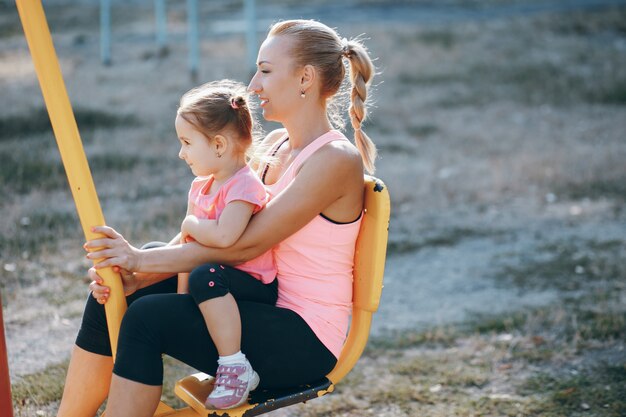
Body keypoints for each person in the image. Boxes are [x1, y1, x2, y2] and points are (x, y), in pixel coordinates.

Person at [57, 19, 377, 417]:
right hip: (261, 300)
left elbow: (244, 245)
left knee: (146, 317)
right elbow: (221, 238)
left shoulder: (334, 160)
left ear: (305, 78)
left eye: (265, 70)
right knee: (119, 289)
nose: (254, 84)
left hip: (302, 338)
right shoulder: (276, 146)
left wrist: (140, 260)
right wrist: (136, 273)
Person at [174, 80, 277, 409]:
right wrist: (178, 303)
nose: (181, 152)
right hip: (216, 279)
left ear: (218, 145)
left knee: (204, 274)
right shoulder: (200, 187)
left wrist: (190, 223)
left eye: (187, 142)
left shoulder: (244, 186)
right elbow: (184, 252)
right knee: (180, 264)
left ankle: (235, 366)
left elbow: (223, 237)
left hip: (252, 286)